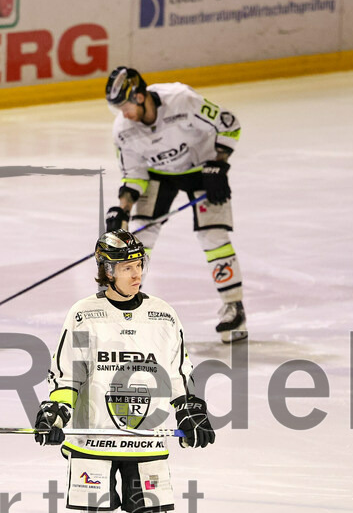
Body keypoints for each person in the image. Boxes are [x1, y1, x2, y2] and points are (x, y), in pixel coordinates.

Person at [34, 230, 216, 513]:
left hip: (144, 438)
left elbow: (178, 372)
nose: (137, 275)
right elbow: (69, 374)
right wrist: (56, 411)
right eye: (128, 268)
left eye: (139, 266)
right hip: (93, 440)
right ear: (107, 270)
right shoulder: (85, 314)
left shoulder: (163, 316)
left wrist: (190, 411)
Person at [104, 66, 247, 343]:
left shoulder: (182, 100)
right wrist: (122, 210)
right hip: (159, 176)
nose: (123, 114)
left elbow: (229, 124)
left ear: (140, 97)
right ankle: (126, 307)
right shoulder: (123, 130)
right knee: (138, 240)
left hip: (203, 169)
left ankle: (234, 308)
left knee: (213, 235)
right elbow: (134, 175)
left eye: (125, 106)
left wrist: (219, 164)